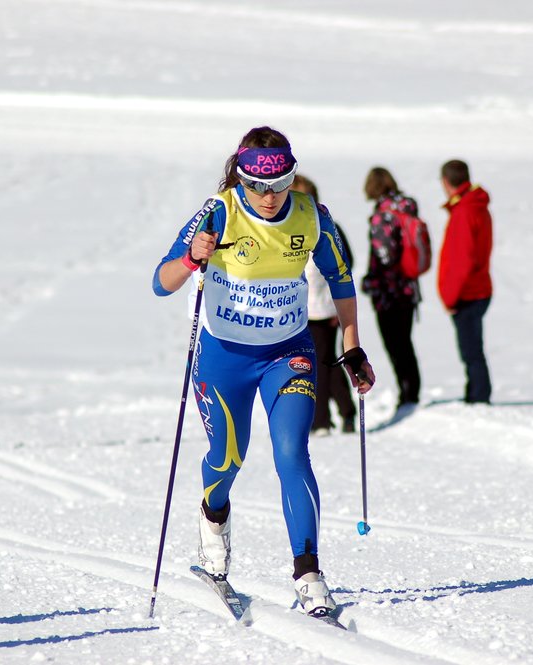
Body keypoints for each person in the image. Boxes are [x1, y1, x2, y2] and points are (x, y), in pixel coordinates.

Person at [152, 126, 375, 617]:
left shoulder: (311, 217)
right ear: (241, 177)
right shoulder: (219, 212)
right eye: (257, 185)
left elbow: (341, 280)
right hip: (224, 357)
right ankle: (213, 519)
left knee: (292, 452)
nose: (270, 196)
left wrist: (352, 346)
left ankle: (309, 572)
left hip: (287, 353)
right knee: (227, 459)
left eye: (281, 184)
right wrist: (193, 258)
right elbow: (160, 282)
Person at [291, 174, 357, 436]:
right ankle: (340, 415)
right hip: (304, 310)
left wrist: (337, 308)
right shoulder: (291, 228)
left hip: (324, 309)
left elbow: (344, 266)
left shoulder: (326, 227)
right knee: (324, 361)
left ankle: (323, 420)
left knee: (318, 363)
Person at [361, 167, 422, 418]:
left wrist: (370, 282)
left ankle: (407, 394)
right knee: (405, 343)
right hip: (408, 288)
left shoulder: (382, 216)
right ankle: (411, 391)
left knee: (395, 345)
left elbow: (384, 257)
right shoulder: (406, 209)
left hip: (389, 294)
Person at [438, 159, 493, 404]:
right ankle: (476, 394)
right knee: (472, 349)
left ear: (446, 182)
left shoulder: (465, 211)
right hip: (477, 288)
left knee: (471, 351)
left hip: (468, 293)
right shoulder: (474, 206)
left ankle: (479, 397)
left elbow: (461, 260)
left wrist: (451, 297)